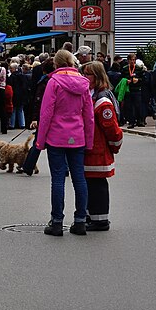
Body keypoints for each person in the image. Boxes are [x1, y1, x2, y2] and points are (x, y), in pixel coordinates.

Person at [36, 49, 93, 237]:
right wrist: (89, 140)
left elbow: (46, 114)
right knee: (79, 179)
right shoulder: (84, 84)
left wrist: (41, 140)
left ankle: (57, 221)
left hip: (56, 136)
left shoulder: (53, 83)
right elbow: (89, 116)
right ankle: (80, 221)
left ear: (56, 64)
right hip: (77, 136)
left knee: (58, 179)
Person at [82, 62, 123, 231]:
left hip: (98, 150)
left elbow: (112, 129)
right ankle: (92, 216)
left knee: (97, 184)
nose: (85, 77)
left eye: (88, 75)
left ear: (97, 77)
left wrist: (115, 145)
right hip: (90, 149)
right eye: (83, 74)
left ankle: (100, 220)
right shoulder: (92, 95)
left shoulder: (102, 100)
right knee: (90, 184)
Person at [22, 58, 56, 176]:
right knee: (59, 144)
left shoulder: (44, 81)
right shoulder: (60, 81)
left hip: (44, 115)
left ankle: (28, 166)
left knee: (38, 142)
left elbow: (38, 101)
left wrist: (35, 118)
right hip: (57, 117)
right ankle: (65, 168)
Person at [122, 53, 144, 128]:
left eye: (134, 60)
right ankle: (131, 121)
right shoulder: (125, 69)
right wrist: (126, 81)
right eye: (131, 60)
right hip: (128, 89)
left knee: (138, 106)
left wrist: (138, 80)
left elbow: (143, 79)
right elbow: (121, 78)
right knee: (129, 106)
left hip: (137, 89)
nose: (132, 61)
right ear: (128, 60)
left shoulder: (138, 68)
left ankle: (139, 120)